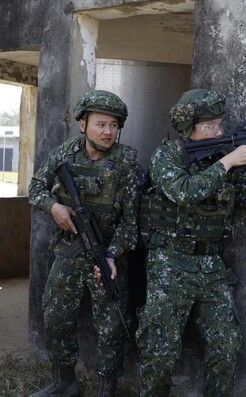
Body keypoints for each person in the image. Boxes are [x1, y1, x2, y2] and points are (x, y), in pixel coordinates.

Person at [136, 89, 246, 396]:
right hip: (170, 265)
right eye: (210, 126)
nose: (219, 131)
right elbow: (184, 191)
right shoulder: (167, 155)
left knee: (226, 346)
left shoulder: (224, 154)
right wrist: (226, 163)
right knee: (160, 351)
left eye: (219, 124)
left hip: (212, 268)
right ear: (188, 127)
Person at [28, 90, 144, 397]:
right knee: (55, 315)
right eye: (101, 124)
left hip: (108, 256)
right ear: (83, 125)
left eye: (114, 126)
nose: (108, 132)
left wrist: (111, 255)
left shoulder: (128, 162)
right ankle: (64, 382)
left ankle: (107, 387)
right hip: (68, 250)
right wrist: (53, 207)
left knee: (111, 325)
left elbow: (131, 223)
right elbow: (36, 187)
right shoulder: (64, 153)